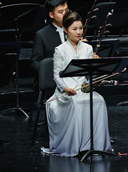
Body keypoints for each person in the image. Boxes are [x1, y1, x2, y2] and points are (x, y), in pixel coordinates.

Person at [41, 12, 112, 156]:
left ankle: (95, 144)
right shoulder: (60, 49)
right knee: (75, 102)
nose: (78, 32)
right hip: (66, 90)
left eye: (80, 28)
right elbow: (56, 75)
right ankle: (76, 145)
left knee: (99, 100)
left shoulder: (87, 48)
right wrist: (65, 88)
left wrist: (95, 68)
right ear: (66, 30)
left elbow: (89, 74)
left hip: (82, 87)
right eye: (74, 29)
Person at [29, 0, 69, 89]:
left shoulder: (74, 30)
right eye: (61, 12)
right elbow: (35, 62)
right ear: (51, 15)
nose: (66, 14)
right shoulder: (41, 35)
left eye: (66, 10)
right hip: (52, 82)